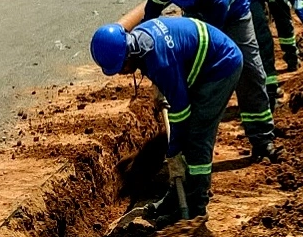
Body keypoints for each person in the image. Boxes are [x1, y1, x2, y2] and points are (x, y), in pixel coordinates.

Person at [90, 17, 241, 225]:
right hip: (200, 65)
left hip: (220, 66)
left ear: (128, 56)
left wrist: (174, 150)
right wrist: (162, 86)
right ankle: (176, 198)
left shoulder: (160, 63)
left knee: (197, 138)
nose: (121, 73)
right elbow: (170, 61)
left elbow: (181, 111)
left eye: (121, 67)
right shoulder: (140, 39)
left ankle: (196, 209)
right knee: (188, 138)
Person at [143, 0, 279, 162]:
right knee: (188, 73)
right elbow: (149, 17)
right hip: (198, 9)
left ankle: (262, 139)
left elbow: (210, 42)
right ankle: (188, 142)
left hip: (235, 14)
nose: (184, 7)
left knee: (249, 71)